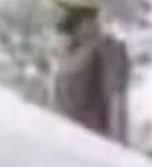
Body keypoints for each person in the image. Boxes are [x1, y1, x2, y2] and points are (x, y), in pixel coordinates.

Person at [52, 0, 129, 143]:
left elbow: (117, 104)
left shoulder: (108, 49)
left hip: (92, 141)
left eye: (72, 16)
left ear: (89, 18)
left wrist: (117, 149)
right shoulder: (66, 50)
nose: (65, 21)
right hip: (62, 139)